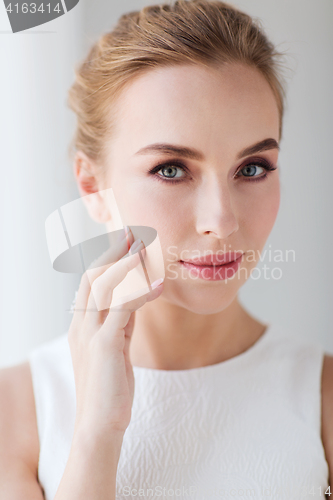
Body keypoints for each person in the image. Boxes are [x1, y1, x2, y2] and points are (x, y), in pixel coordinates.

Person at [0, 0, 332, 499]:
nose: (220, 222)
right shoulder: (16, 411)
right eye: (171, 169)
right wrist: (97, 433)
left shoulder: (322, 397)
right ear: (92, 186)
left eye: (252, 168)